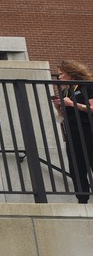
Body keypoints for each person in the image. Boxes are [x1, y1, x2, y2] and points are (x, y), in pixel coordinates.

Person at [51, 60, 93, 204]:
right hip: (72, 134)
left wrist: (71, 104)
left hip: (88, 130)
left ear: (71, 73)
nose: (59, 77)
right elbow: (62, 118)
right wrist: (59, 108)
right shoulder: (65, 91)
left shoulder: (87, 86)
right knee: (76, 167)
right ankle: (82, 199)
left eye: (62, 74)